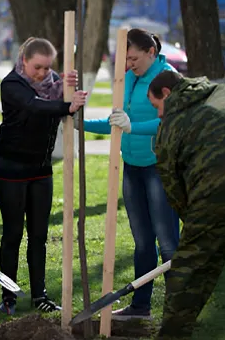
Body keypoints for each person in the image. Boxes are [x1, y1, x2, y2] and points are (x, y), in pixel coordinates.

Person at [82, 28, 180, 320]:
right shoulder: (127, 79)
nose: (129, 64)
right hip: (132, 166)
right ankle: (141, 307)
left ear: (151, 52)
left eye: (134, 58)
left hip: (158, 167)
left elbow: (171, 122)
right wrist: (80, 124)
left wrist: (133, 127)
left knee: (168, 240)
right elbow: (117, 121)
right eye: (125, 59)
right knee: (142, 241)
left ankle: (179, 310)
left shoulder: (168, 77)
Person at [147, 70, 225, 339]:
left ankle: (172, 336)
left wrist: (193, 222)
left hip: (217, 197)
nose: (158, 114)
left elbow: (171, 184)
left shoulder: (174, 122)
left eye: (156, 106)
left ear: (167, 94)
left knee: (189, 274)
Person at [0, 37, 87, 315]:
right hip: (11, 168)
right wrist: (66, 106)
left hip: (41, 168)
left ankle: (40, 296)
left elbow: (58, 96)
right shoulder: (11, 84)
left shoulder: (54, 82)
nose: (43, 74)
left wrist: (69, 88)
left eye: (48, 68)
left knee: (39, 235)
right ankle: (8, 296)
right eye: (37, 67)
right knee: (13, 234)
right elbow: (34, 105)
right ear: (24, 60)